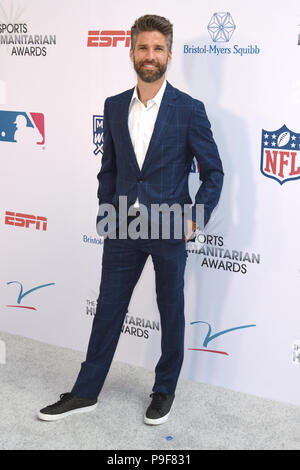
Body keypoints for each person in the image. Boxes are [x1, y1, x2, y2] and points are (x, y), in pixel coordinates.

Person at [38, 14, 224, 424]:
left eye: (158, 48)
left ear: (169, 56)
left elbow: (214, 173)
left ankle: (164, 389)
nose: (150, 55)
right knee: (108, 308)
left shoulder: (189, 110)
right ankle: (86, 392)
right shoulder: (114, 105)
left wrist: (194, 219)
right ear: (131, 52)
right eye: (143, 47)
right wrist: (107, 209)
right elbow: (110, 167)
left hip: (171, 226)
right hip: (122, 227)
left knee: (170, 309)